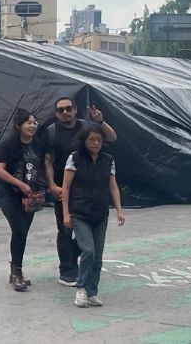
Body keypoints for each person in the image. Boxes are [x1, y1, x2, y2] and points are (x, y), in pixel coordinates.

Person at [40, 97, 117, 286]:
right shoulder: (51, 132)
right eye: (60, 110)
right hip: (63, 189)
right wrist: (51, 185)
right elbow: (48, 161)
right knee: (66, 230)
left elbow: (111, 137)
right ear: (56, 113)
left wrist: (100, 121)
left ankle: (81, 265)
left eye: (68, 108)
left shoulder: (85, 127)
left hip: (87, 190)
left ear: (75, 110)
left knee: (85, 233)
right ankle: (67, 270)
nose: (65, 112)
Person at [61, 124, 126, 308]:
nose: (96, 143)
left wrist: (119, 209)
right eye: (92, 139)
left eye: (99, 140)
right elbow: (65, 188)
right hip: (80, 213)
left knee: (97, 255)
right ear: (84, 140)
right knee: (88, 251)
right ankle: (81, 288)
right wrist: (66, 213)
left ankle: (92, 292)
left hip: (101, 213)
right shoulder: (75, 158)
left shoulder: (108, 160)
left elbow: (113, 187)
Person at [0, 109, 47, 292]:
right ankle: (16, 272)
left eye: (34, 122)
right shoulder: (7, 144)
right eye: (28, 122)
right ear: (18, 125)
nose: (32, 125)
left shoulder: (38, 145)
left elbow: (42, 166)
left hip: (30, 194)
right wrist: (20, 184)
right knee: (19, 228)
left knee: (23, 232)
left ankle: (16, 270)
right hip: (9, 193)